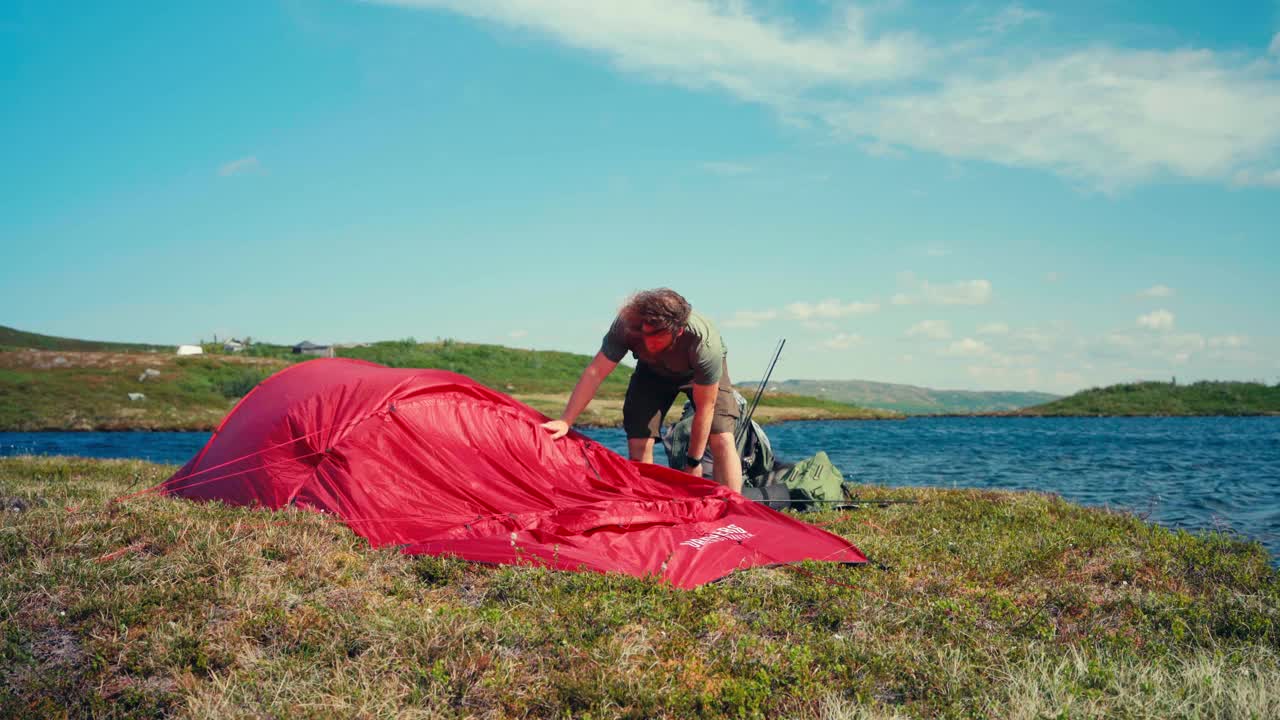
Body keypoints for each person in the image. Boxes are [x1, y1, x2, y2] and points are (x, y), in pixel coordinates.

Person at [540, 288, 744, 493]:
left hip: (697, 373)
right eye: (646, 333)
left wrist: (693, 463)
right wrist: (566, 420)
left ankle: (736, 508)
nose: (648, 342)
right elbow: (595, 373)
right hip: (651, 371)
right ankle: (647, 506)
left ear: (678, 331)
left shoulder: (705, 345)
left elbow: (705, 408)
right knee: (639, 442)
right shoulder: (627, 324)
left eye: (657, 337)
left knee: (722, 437)